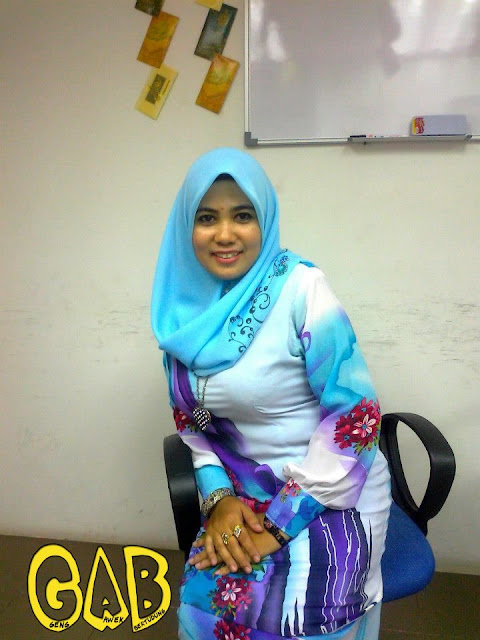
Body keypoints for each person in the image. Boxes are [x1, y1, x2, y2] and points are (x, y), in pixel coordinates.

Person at [151, 148, 391, 640]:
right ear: (186, 227)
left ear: (264, 219)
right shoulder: (180, 316)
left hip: (332, 491)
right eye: (206, 218)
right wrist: (219, 500)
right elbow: (194, 426)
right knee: (205, 616)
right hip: (243, 494)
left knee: (301, 619)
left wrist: (279, 525)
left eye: (242, 215)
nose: (224, 234)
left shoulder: (302, 291)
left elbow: (356, 417)